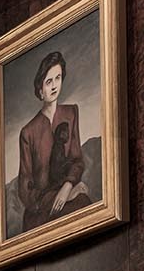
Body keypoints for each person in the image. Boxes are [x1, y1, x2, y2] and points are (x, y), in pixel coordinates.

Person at [17, 50, 93, 233]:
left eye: (58, 78)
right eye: (48, 81)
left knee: (85, 206)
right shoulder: (28, 132)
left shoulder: (71, 113)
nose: (54, 86)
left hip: (67, 194)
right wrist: (59, 197)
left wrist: (68, 187)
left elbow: (77, 161)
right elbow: (25, 191)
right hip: (40, 210)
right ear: (40, 90)